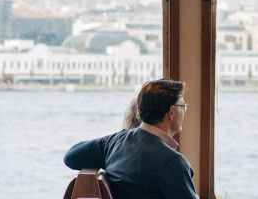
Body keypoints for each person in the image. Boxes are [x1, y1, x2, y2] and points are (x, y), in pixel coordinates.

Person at [63, 79, 198, 199]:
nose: (185, 111)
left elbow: (71, 157)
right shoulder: (173, 162)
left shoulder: (115, 142)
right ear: (172, 113)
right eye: (183, 106)